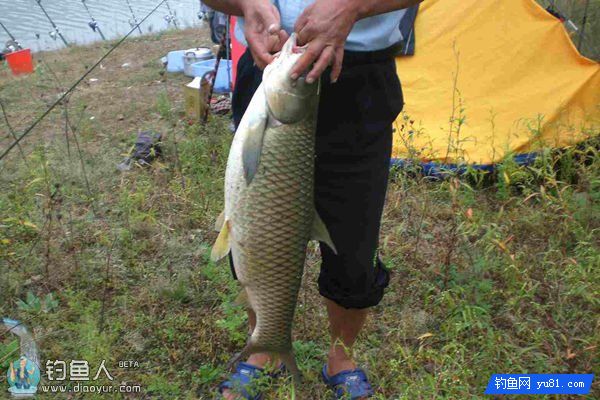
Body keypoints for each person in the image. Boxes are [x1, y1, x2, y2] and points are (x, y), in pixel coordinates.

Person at [202, 0, 423, 398]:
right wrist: (248, 5)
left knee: (355, 242)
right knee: (256, 224)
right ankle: (264, 348)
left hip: (361, 72)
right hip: (268, 61)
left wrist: (352, 8)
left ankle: (341, 358)